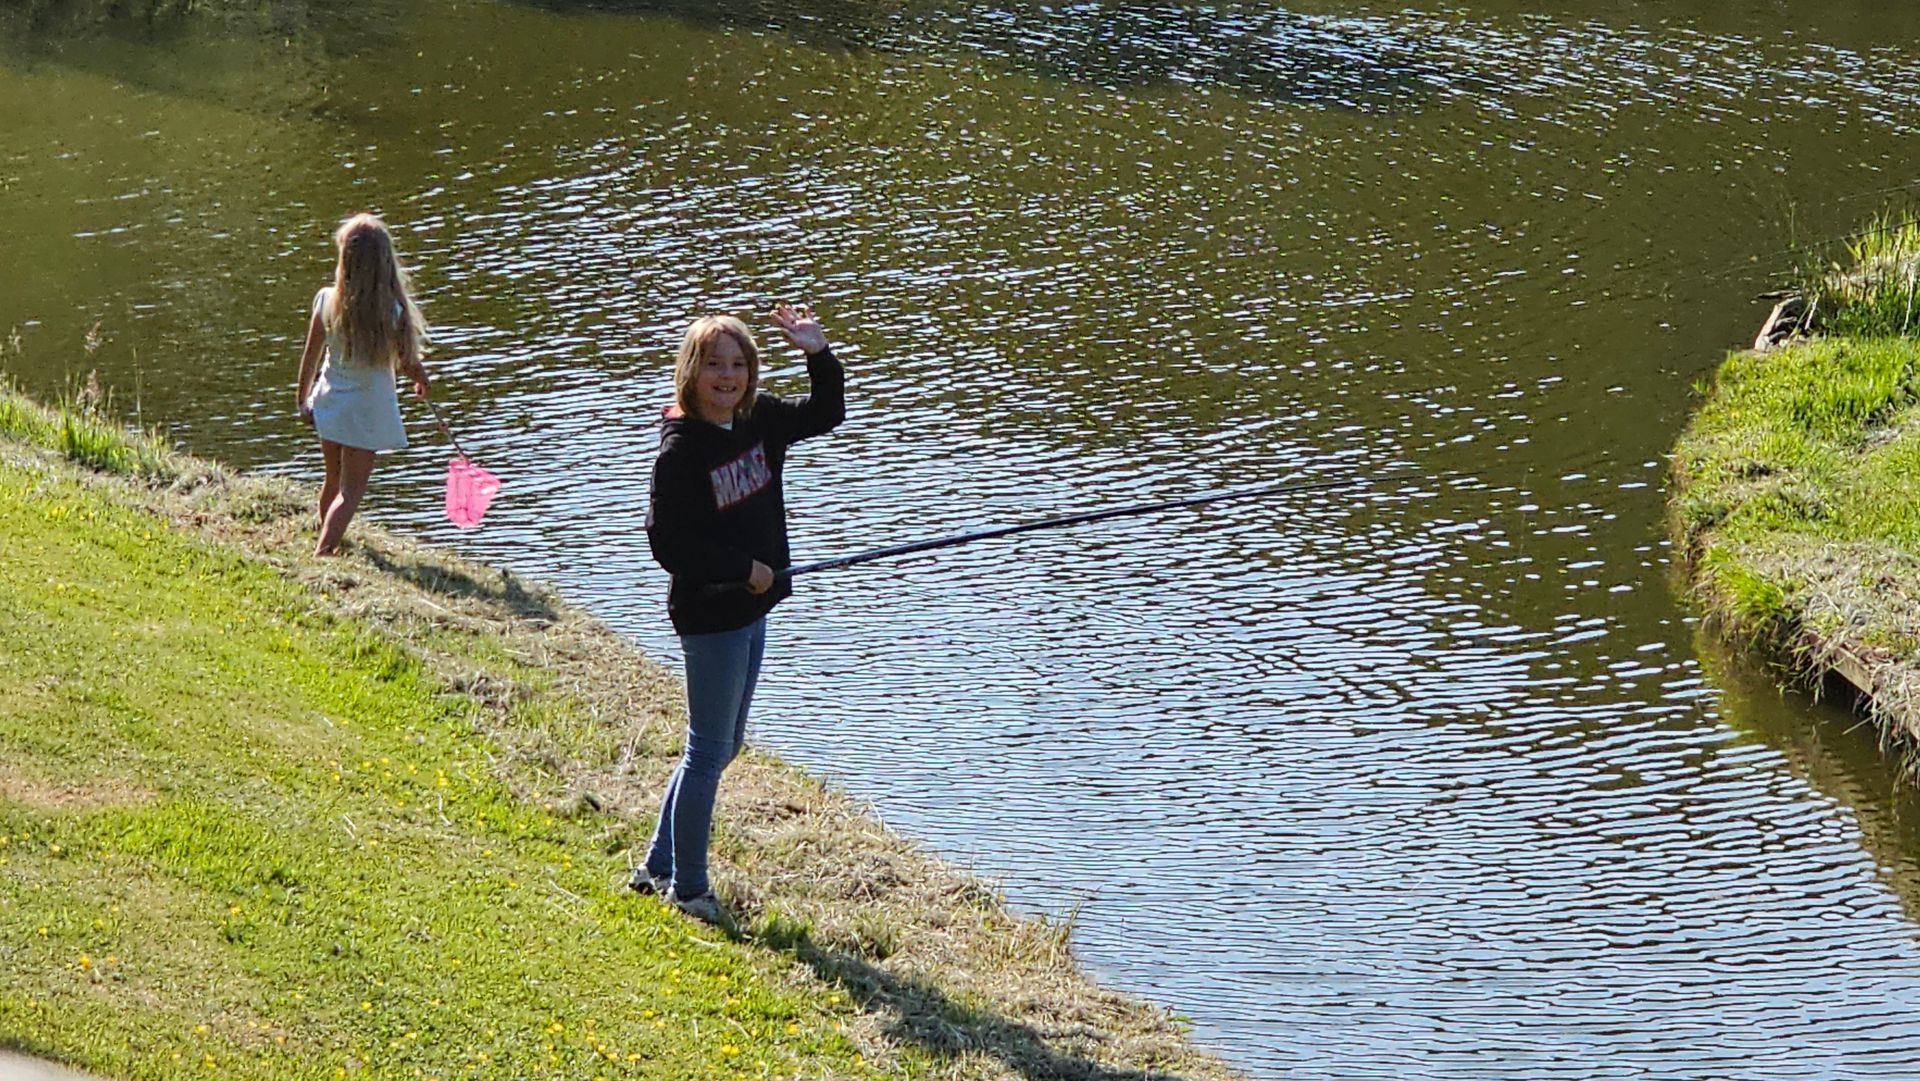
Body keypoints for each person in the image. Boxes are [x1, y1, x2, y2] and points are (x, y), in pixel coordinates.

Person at [633, 305, 845, 923]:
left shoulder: (758, 420)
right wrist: (740, 568)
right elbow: (670, 544)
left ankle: (658, 867)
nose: (728, 377)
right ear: (691, 374)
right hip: (710, 615)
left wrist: (817, 353)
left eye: (739, 365)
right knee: (707, 750)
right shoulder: (680, 452)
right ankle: (691, 891)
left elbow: (825, 414)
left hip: (754, 608)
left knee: (721, 748)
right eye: (715, 366)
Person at [294, 212, 431, 556]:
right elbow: (408, 362)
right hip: (365, 413)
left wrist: (302, 399)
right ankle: (324, 551)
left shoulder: (326, 301)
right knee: (352, 491)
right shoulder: (393, 312)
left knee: (333, 480)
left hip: (330, 403)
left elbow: (310, 356)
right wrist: (421, 381)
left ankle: (326, 535)